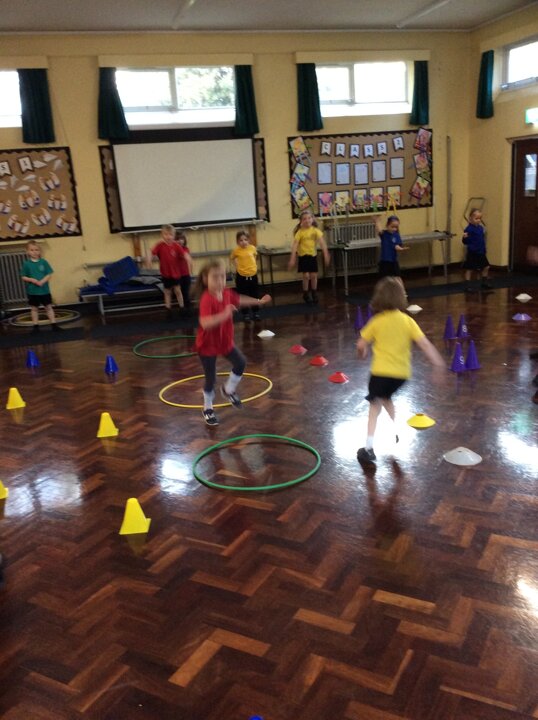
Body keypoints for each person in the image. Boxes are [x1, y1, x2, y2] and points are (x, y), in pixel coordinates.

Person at [356, 277, 445, 465]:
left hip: (380, 373)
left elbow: (361, 344)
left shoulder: (377, 321)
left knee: (374, 405)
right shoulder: (408, 321)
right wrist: (438, 363)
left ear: (379, 298)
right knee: (386, 398)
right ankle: (395, 430)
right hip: (401, 376)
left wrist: (362, 353)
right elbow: (425, 344)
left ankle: (368, 448)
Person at [195, 258, 271, 426]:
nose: (220, 281)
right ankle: (207, 408)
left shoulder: (227, 293)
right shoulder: (206, 299)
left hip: (224, 340)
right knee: (210, 379)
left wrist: (259, 301)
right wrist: (224, 314)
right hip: (207, 344)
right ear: (205, 279)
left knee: (241, 362)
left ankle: (228, 389)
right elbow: (205, 323)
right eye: (215, 277)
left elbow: (240, 299)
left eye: (222, 276)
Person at [288, 209, 330, 304]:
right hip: (303, 256)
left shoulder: (315, 231)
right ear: (301, 221)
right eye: (304, 219)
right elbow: (295, 245)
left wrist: (326, 254)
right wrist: (292, 258)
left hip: (312, 256)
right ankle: (305, 293)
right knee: (306, 276)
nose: (307, 220)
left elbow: (322, 243)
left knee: (314, 275)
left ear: (312, 219)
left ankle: (314, 292)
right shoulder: (300, 232)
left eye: (309, 218)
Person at [146, 224, 185, 321]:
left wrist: (188, 261)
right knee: (167, 292)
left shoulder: (176, 246)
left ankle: (182, 308)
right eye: (166, 234)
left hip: (176, 274)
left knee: (178, 291)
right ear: (162, 235)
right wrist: (149, 260)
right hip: (165, 274)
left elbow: (184, 256)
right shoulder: (160, 245)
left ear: (173, 236)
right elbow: (151, 252)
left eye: (170, 235)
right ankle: (168, 310)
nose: (168, 237)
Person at [20, 241, 61, 333]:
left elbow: (49, 274)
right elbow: (23, 276)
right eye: (32, 250)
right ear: (27, 251)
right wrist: (32, 280)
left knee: (48, 307)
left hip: (44, 290)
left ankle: (54, 325)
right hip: (33, 291)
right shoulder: (26, 264)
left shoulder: (44, 262)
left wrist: (42, 281)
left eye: (36, 250)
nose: (34, 252)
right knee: (34, 309)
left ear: (40, 251)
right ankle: (35, 326)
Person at [230, 230, 260, 322]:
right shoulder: (236, 250)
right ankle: (245, 314)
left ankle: (255, 312)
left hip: (253, 275)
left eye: (245, 239)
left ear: (248, 240)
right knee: (243, 295)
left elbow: (255, 256)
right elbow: (232, 258)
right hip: (242, 277)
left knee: (254, 294)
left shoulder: (252, 248)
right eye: (241, 240)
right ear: (237, 241)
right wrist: (237, 266)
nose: (243, 242)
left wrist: (253, 266)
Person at [376, 214, 409, 288]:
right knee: (383, 279)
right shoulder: (384, 234)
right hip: (384, 261)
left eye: (396, 227)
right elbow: (379, 229)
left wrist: (401, 249)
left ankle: (402, 291)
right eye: (392, 227)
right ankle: (381, 292)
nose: (394, 229)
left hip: (393, 261)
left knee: (397, 277)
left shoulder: (396, 235)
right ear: (387, 225)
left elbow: (396, 246)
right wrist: (377, 221)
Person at [462, 208, 492, 291]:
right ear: (470, 218)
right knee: (470, 269)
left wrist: (484, 249)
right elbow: (465, 242)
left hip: (481, 251)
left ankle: (484, 282)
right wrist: (465, 238)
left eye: (480, 218)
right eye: (476, 218)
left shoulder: (480, 228)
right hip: (472, 252)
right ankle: (467, 285)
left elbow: (481, 239)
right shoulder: (468, 229)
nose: (478, 220)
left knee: (486, 267)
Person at [175, 229, 194, 313]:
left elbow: (186, 257)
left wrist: (191, 269)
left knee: (186, 292)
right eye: (177, 239)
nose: (180, 241)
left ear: (184, 240)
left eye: (182, 239)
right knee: (179, 293)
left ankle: (188, 308)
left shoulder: (186, 249)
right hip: (176, 275)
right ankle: (182, 308)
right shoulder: (173, 250)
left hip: (185, 275)